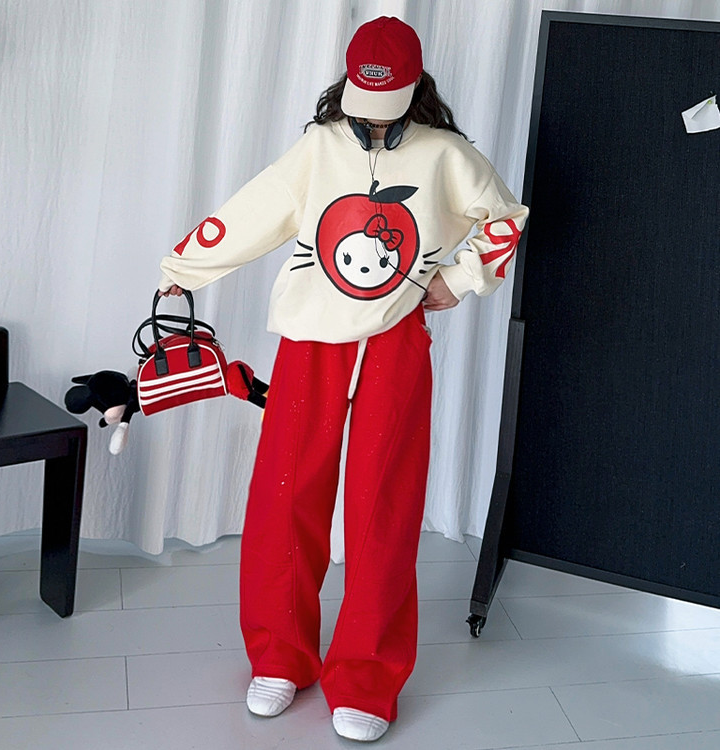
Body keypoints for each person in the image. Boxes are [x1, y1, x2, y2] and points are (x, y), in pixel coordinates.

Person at [157, 16, 528, 743]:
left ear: (416, 88)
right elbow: (254, 210)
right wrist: (183, 268)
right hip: (310, 342)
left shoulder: (446, 155)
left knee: (383, 505)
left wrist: (457, 279)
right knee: (285, 495)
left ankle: (365, 676)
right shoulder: (320, 147)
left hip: (396, 340)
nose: (373, 121)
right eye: (364, 103)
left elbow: (506, 217)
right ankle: (280, 656)